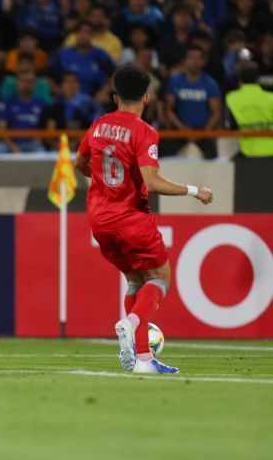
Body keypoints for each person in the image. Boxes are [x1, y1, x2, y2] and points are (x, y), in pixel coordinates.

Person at [74, 64, 213, 375]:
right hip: (131, 217)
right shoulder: (143, 131)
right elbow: (152, 182)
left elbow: (80, 162)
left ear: (115, 97)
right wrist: (195, 191)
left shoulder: (98, 125)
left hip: (99, 219)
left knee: (136, 280)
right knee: (160, 278)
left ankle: (143, 359)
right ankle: (132, 322)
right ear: (147, 97)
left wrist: (104, 182)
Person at [163, 45, 222, 159]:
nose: (194, 62)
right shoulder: (175, 81)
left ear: (203, 61)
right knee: (165, 156)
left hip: (203, 130)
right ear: (185, 60)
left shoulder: (210, 84)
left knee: (213, 159)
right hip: (180, 129)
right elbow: (168, 110)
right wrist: (184, 130)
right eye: (191, 58)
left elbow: (216, 113)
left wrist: (203, 132)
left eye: (198, 58)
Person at [225, 61, 273, 157]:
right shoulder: (271, 97)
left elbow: (231, 126)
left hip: (247, 151)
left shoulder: (231, 98)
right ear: (258, 78)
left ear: (239, 79)